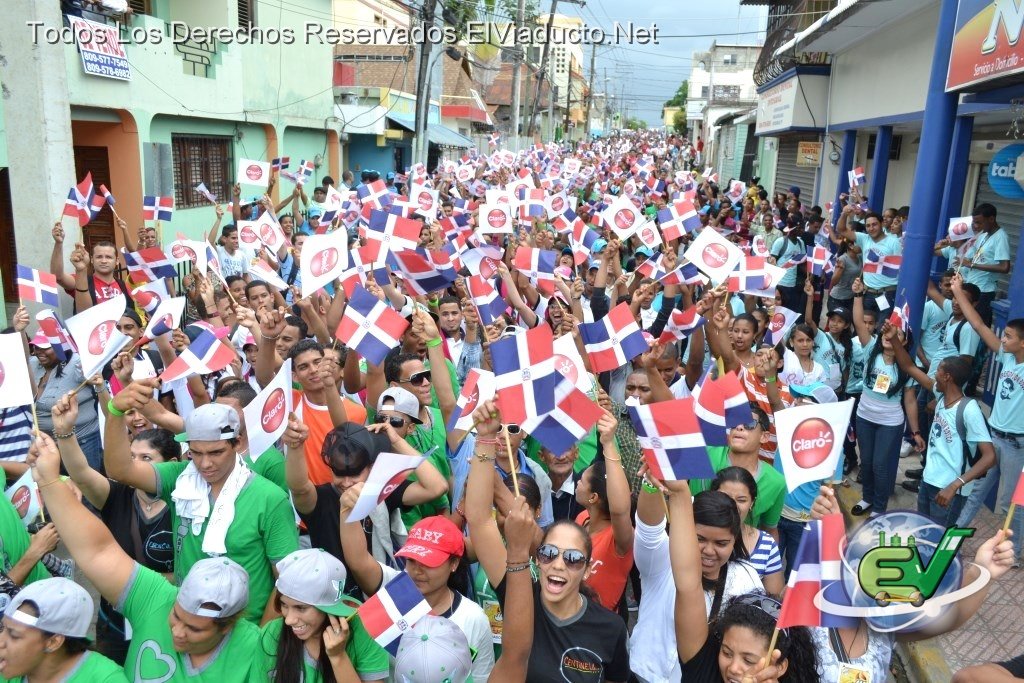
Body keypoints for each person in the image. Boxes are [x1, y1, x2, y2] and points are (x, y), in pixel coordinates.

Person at [27, 432, 272, 682]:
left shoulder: (255, 650)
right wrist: (49, 480)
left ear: (228, 626)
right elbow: (98, 551)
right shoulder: (156, 598)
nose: (177, 631)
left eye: (194, 629)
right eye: (176, 615)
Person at [104, 384, 299, 623]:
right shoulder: (179, 478)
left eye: (216, 452)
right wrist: (114, 411)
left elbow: (287, 581)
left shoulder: (270, 498)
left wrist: (260, 637)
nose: (205, 464)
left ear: (237, 443)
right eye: (196, 453)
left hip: (245, 630)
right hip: (187, 626)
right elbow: (120, 470)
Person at [466, 400, 630, 682]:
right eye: (549, 553)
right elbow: (480, 520)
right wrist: (485, 438)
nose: (558, 564)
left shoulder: (610, 628)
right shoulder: (520, 597)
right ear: (538, 559)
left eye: (573, 558)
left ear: (588, 569)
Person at [50, 388, 177, 665]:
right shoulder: (117, 495)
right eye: (131, 456)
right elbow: (81, 473)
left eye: (146, 459)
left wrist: (133, 579)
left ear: (172, 465)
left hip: (167, 618)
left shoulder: (187, 507)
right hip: (115, 622)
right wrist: (64, 432)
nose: (135, 465)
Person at [666, 478, 818, 682]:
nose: (734, 668)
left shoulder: (746, 573)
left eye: (749, 660)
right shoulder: (703, 668)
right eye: (726, 653)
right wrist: (679, 493)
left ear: (779, 667)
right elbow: (688, 584)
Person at [284, 414, 447, 590]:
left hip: (380, 592)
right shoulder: (321, 499)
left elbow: (437, 487)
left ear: (371, 467)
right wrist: (295, 446)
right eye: (339, 473)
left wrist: (396, 441)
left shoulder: (381, 491)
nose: (347, 483)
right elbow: (300, 488)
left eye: (355, 474)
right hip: (333, 596)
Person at [339, 505, 495, 681]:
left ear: (454, 564)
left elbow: (482, 677)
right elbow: (358, 561)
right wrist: (347, 509)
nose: (417, 571)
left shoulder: (474, 618)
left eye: (428, 562)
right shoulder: (393, 590)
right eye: (412, 560)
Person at [886, 325, 996, 526]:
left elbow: (989, 457)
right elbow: (909, 366)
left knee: (939, 539)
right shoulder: (940, 395)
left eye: (938, 371)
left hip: (948, 490)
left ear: (947, 377)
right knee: (924, 532)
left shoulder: (969, 410)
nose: (934, 374)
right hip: (929, 480)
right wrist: (894, 339)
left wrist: (955, 485)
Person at [258, 549, 388, 682]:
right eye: (284, 605)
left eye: (301, 608)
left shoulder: (365, 631)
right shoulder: (272, 632)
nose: (289, 620)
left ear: (329, 608)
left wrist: (338, 657)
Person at [850, 280, 923, 515]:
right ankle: (867, 498)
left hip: (890, 422)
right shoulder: (871, 348)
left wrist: (915, 432)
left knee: (880, 465)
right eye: (887, 332)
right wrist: (858, 295)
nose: (888, 336)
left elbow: (910, 401)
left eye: (896, 334)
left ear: (904, 342)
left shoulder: (908, 366)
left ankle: (879, 508)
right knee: (866, 462)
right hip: (864, 417)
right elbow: (858, 323)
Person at [691, 403, 786, 543]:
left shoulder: (776, 482)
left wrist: (770, 556)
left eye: (749, 424)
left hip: (741, 550)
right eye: (734, 423)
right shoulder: (704, 454)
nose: (739, 427)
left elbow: (769, 530)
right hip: (691, 542)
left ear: (764, 437)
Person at [0, 578, 127, 682]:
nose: (1, 641)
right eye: (2, 629)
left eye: (14, 635)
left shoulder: (106, 679)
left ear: (53, 642)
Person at [574, 413, 634, 613]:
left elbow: (620, 511)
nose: (577, 482)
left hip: (599, 624)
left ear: (593, 497)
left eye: (582, 480)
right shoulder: (582, 518)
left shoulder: (619, 539)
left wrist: (608, 443)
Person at [27, 331, 106, 471]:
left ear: (61, 347)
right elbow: (21, 357)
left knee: (85, 483)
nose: (39, 352)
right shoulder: (33, 363)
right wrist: (21, 330)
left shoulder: (76, 363)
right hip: (46, 445)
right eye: (36, 347)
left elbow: (92, 372)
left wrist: (91, 374)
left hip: (82, 441)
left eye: (45, 348)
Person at [711, 467, 784, 596]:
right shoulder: (691, 535)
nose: (732, 505)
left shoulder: (767, 544)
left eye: (741, 500)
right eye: (724, 497)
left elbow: (772, 600)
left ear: (752, 503)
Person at [935, 202, 1011, 325]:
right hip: (972, 288)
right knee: (964, 325)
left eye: (979, 222)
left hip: (984, 291)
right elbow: (964, 249)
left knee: (976, 326)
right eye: (974, 223)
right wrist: (946, 243)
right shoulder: (983, 234)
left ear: (991, 219)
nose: (975, 226)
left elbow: (1004, 267)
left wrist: (971, 265)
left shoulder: (1001, 237)